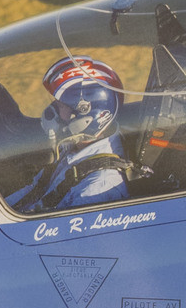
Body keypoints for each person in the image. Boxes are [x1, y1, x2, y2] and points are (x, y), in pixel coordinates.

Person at [8, 54, 132, 214]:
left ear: (87, 116)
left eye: (60, 106)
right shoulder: (74, 147)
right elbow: (34, 190)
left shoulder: (98, 186)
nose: (51, 112)